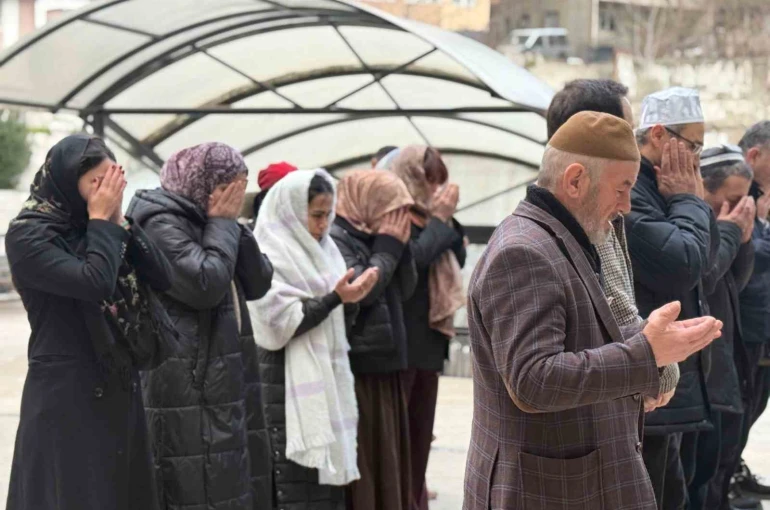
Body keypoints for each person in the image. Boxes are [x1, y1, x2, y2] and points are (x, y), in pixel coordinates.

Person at [463, 111, 722, 510]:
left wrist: (651, 343)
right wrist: (646, 353)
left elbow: (588, 336)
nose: (626, 206)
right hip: (545, 490)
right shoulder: (523, 252)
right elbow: (534, 379)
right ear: (575, 180)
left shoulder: (564, 236)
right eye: (621, 189)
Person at [5, 135, 172, 510]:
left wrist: (119, 220)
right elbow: (94, 282)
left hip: (118, 382)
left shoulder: (101, 228)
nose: (106, 191)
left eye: (112, 180)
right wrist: (101, 222)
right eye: (97, 182)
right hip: (68, 393)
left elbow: (163, 277)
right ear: (67, 180)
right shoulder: (28, 234)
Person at [127, 142, 274, 509]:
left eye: (240, 189)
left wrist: (230, 225)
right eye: (227, 188)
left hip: (226, 372)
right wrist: (223, 223)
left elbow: (258, 282)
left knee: (233, 481)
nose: (233, 198)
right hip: (187, 381)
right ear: (200, 183)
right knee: (197, 485)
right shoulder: (159, 223)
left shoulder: (211, 220)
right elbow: (205, 283)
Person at [546, 79, 680, 414]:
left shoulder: (594, 213)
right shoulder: (552, 234)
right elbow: (538, 379)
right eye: (627, 132)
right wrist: (660, 369)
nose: (626, 205)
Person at [248, 169, 379, 509]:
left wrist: (350, 301)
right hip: (280, 379)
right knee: (290, 479)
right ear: (292, 210)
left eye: (328, 215)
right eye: (316, 215)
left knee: (320, 481)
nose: (323, 225)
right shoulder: (268, 252)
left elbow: (337, 324)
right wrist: (335, 299)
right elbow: (277, 323)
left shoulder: (326, 251)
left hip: (324, 379)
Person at [625, 87, 717, 510]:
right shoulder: (633, 191)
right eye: (692, 145)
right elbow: (681, 266)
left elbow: (705, 265)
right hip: (646, 379)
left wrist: (690, 201)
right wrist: (688, 200)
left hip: (674, 379)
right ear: (659, 134)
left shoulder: (669, 186)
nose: (696, 158)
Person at [382, 145, 466, 510]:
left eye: (438, 182)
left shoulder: (433, 218)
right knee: (398, 442)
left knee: (420, 440)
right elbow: (412, 261)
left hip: (429, 343)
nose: (434, 189)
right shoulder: (391, 214)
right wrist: (440, 221)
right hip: (400, 343)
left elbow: (458, 254)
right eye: (428, 180)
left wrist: (443, 220)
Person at [330, 170, 417, 510]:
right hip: (360, 367)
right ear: (366, 203)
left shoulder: (380, 239)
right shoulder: (337, 237)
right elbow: (362, 293)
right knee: (366, 456)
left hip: (387, 363)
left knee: (388, 458)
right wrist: (388, 250)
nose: (396, 220)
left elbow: (406, 289)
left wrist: (400, 248)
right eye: (390, 210)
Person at [693, 146, 758, 510]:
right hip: (701, 373)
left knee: (723, 462)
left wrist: (742, 239)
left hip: (725, 364)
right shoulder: (694, 224)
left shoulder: (723, 225)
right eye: (732, 201)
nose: (738, 210)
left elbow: (737, 281)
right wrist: (732, 232)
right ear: (704, 188)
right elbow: (707, 277)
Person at [733, 122, 770, 501]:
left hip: (762, 321)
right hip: (743, 324)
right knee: (739, 409)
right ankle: (729, 477)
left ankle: (735, 470)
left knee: (755, 404)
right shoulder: (734, 189)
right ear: (755, 155)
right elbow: (749, 253)